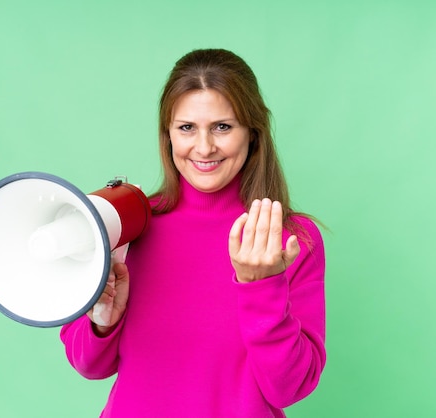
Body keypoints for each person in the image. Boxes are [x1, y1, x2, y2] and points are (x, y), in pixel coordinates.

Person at [60, 48, 326, 418]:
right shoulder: (131, 223)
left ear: (252, 132)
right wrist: (102, 320)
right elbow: (90, 366)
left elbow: (289, 387)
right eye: (187, 127)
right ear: (167, 134)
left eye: (222, 126)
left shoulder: (288, 241)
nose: (204, 147)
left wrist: (261, 284)